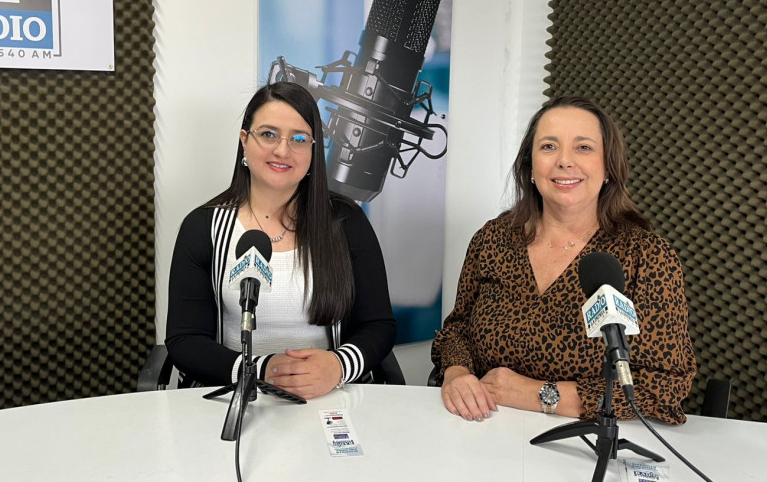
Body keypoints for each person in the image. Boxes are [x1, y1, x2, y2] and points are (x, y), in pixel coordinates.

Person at [431, 96, 696, 424]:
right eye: (548, 147)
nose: (564, 161)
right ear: (530, 167)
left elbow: (664, 386)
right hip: (486, 428)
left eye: (583, 147)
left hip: (586, 443)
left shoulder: (647, 257)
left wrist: (539, 394)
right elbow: (457, 329)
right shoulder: (492, 240)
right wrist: (456, 373)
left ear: (608, 167)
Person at [165, 82, 396, 399]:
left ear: (313, 150)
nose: (282, 150)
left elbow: (379, 325)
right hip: (236, 395)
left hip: (328, 396)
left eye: (299, 139)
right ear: (245, 141)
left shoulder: (346, 222)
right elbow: (185, 340)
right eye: (268, 134)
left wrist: (338, 366)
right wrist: (261, 370)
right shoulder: (203, 227)